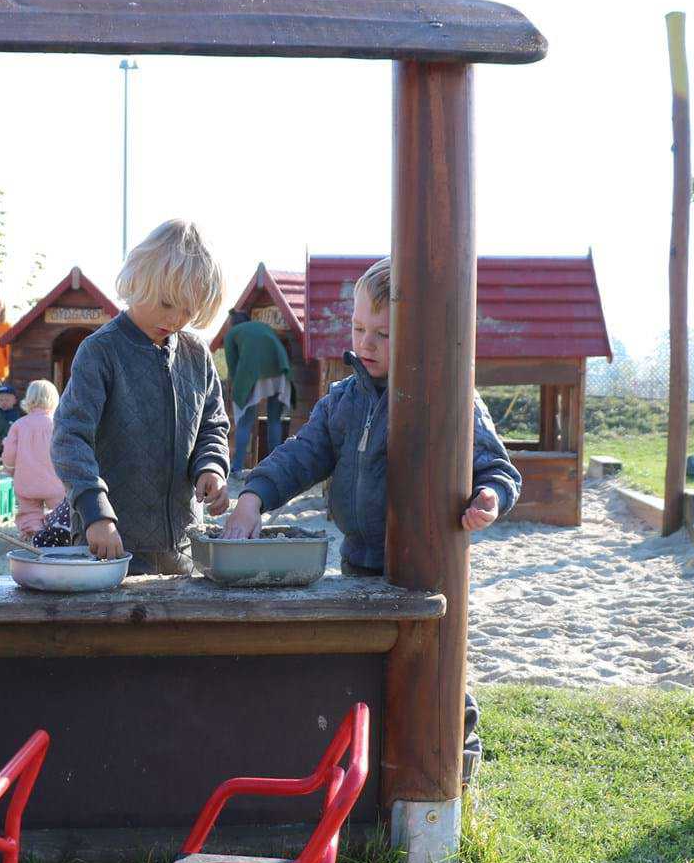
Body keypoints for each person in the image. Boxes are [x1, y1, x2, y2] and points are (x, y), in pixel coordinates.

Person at [222, 258, 520, 782]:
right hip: (360, 563)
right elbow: (302, 455)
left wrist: (490, 496)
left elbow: (495, 465)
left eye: (384, 333)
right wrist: (253, 497)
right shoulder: (343, 400)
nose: (368, 342)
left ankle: (455, 770)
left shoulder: (449, 399)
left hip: (426, 571)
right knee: (365, 674)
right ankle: (367, 778)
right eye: (360, 328)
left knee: (436, 677)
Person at [52, 219, 232, 574]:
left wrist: (211, 467)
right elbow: (69, 438)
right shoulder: (100, 352)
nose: (176, 319)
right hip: (107, 544)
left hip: (180, 545)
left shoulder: (197, 355)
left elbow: (212, 426)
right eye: (167, 304)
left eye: (188, 311)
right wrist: (94, 511)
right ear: (139, 281)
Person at [222, 308, 294, 476]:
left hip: (253, 374)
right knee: (274, 420)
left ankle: (237, 468)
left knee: (245, 421)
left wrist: (237, 392)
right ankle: (274, 467)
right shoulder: (262, 328)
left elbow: (233, 369)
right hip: (281, 372)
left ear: (233, 323)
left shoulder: (232, 334)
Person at [2, 379, 67, 537]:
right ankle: (59, 532)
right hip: (55, 481)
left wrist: (10, 470)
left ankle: (33, 534)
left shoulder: (19, 425)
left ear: (28, 399)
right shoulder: (58, 424)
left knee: (29, 512)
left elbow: (10, 453)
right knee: (61, 510)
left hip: (26, 481)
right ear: (54, 400)